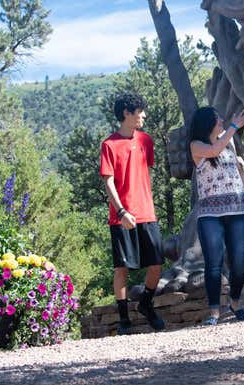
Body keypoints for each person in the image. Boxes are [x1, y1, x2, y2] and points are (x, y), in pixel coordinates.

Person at [190, 106, 244, 326]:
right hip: (210, 214)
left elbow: (239, 176)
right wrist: (234, 127)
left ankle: (235, 302)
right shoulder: (197, 146)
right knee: (214, 263)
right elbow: (214, 151)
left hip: (238, 209)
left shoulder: (228, 144)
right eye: (218, 119)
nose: (222, 121)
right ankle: (214, 311)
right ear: (207, 123)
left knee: (239, 264)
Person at [99, 93, 165, 335]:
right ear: (127, 113)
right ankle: (124, 319)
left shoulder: (146, 140)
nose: (143, 115)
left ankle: (146, 303)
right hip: (122, 216)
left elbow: (141, 174)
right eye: (140, 111)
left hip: (147, 213)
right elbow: (109, 183)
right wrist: (122, 211)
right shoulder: (109, 145)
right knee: (122, 269)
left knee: (157, 263)